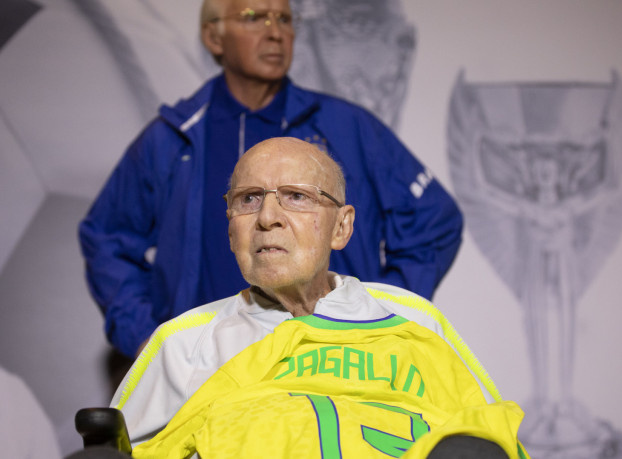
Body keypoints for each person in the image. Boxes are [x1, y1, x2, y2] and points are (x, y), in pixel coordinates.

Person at [78, 0, 464, 359]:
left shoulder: (346, 126)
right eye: (254, 18)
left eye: (284, 19)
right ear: (214, 37)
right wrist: (147, 338)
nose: (275, 32)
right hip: (208, 372)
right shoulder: (174, 137)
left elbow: (434, 221)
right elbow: (106, 237)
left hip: (327, 363)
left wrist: (380, 311)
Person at [110, 137, 528, 458]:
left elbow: (487, 444)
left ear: (342, 228)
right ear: (230, 229)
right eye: (248, 199)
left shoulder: (414, 322)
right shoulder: (183, 345)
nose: (268, 218)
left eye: (297, 197)